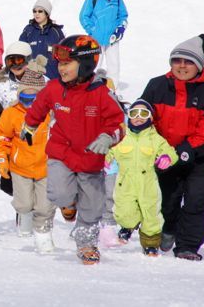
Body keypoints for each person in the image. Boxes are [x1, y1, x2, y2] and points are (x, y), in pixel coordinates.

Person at [24, 34, 125, 264]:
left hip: (91, 157)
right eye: (59, 63)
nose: (61, 68)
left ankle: (87, 243)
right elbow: (39, 108)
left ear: (87, 64)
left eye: (67, 63)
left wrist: (108, 137)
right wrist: (29, 125)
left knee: (92, 207)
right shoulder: (53, 88)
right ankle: (68, 204)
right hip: (62, 152)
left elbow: (119, 123)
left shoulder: (101, 93)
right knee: (59, 193)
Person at [141, 35, 204, 261]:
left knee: (196, 200)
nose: (182, 66)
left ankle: (187, 245)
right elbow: (144, 118)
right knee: (167, 200)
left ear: (198, 65)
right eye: (177, 61)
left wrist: (188, 148)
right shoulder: (157, 85)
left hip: (198, 157)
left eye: (188, 62)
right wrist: (155, 147)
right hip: (165, 156)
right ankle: (169, 228)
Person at [105, 99, 178, 256]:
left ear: (151, 118)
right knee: (124, 212)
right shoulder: (122, 137)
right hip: (126, 182)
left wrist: (166, 158)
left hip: (148, 183)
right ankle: (128, 225)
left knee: (151, 214)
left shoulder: (155, 139)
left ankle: (150, 244)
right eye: (134, 113)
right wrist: (104, 160)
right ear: (128, 116)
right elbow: (109, 150)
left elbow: (170, 152)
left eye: (143, 113)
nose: (138, 117)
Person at [0, 73, 56, 252]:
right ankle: (25, 219)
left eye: (33, 99)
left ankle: (43, 234)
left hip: (46, 166)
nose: (29, 104)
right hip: (20, 167)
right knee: (23, 204)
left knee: (45, 205)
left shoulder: (51, 114)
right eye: (24, 98)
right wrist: (1, 157)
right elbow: (2, 137)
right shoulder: (12, 113)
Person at [79, 0, 128, 86]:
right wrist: (92, 30)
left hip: (112, 39)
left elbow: (123, 16)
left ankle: (112, 90)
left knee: (114, 65)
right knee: (95, 64)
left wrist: (120, 29)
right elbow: (83, 16)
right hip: (96, 39)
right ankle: (91, 88)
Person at [19, 0, 65, 80]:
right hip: (32, 80)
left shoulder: (56, 32)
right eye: (34, 11)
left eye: (40, 11)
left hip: (53, 79)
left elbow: (64, 56)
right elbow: (20, 53)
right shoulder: (28, 31)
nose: (37, 14)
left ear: (47, 13)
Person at [0, 41, 46, 108]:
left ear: (28, 60)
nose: (15, 66)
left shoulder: (43, 83)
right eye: (11, 62)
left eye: (19, 61)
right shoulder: (0, 87)